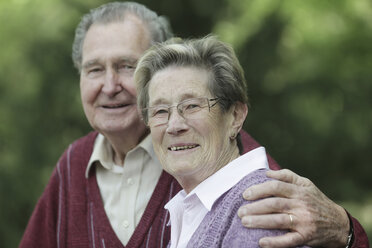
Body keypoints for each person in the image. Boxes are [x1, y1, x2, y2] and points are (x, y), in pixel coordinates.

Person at [19, 2, 369, 248]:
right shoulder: (72, 165)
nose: (109, 86)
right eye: (94, 69)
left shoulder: (226, 162)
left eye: (126, 66)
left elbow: (287, 228)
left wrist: (346, 232)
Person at [135, 35, 310, 248]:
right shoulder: (196, 209)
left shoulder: (256, 207)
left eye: (192, 106)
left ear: (235, 116)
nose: (174, 125)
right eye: (160, 111)